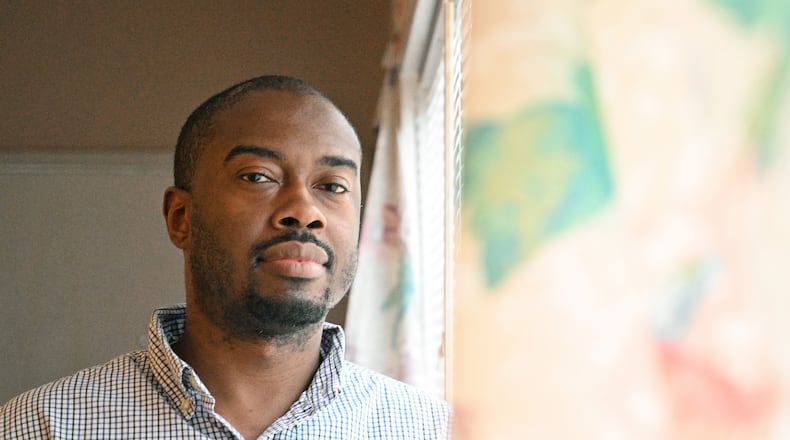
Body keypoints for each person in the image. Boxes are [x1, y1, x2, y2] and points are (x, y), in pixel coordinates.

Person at [0, 75, 449, 439]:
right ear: (181, 218)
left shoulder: (434, 432)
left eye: (332, 186)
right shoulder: (39, 428)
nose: (304, 212)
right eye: (258, 176)